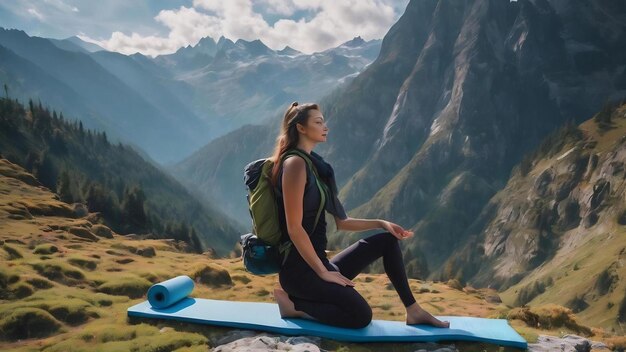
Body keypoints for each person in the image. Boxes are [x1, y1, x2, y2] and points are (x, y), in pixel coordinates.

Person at [270, 101, 450, 329]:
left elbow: (342, 223)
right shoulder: (295, 164)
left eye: (324, 121)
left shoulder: (317, 167)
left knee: (387, 241)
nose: (326, 126)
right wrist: (323, 273)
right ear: (301, 128)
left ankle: (413, 310)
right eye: (318, 122)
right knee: (360, 316)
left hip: (319, 264)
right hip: (299, 273)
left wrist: (381, 223)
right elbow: (294, 228)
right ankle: (295, 306)